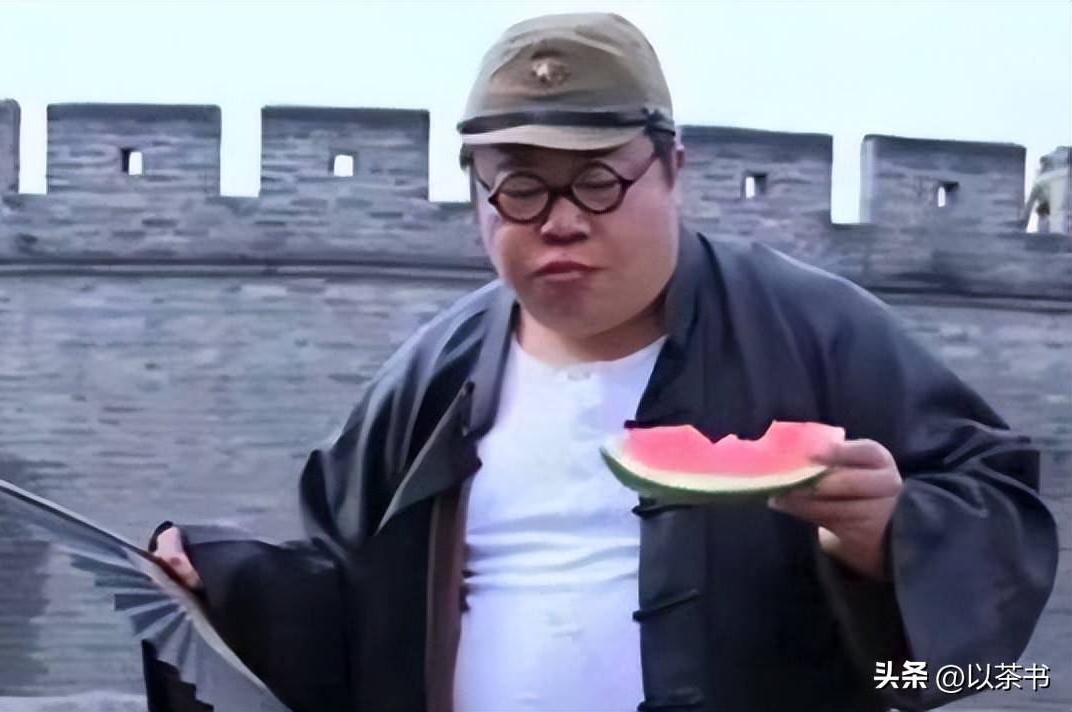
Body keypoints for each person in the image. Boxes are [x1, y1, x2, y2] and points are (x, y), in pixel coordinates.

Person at [144, 12, 1058, 712]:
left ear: (672, 170)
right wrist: (224, 581)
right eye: (520, 187)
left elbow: (998, 527)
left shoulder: (819, 328)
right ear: (477, 194)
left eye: (598, 181)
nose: (562, 221)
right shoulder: (428, 375)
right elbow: (350, 592)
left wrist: (888, 534)